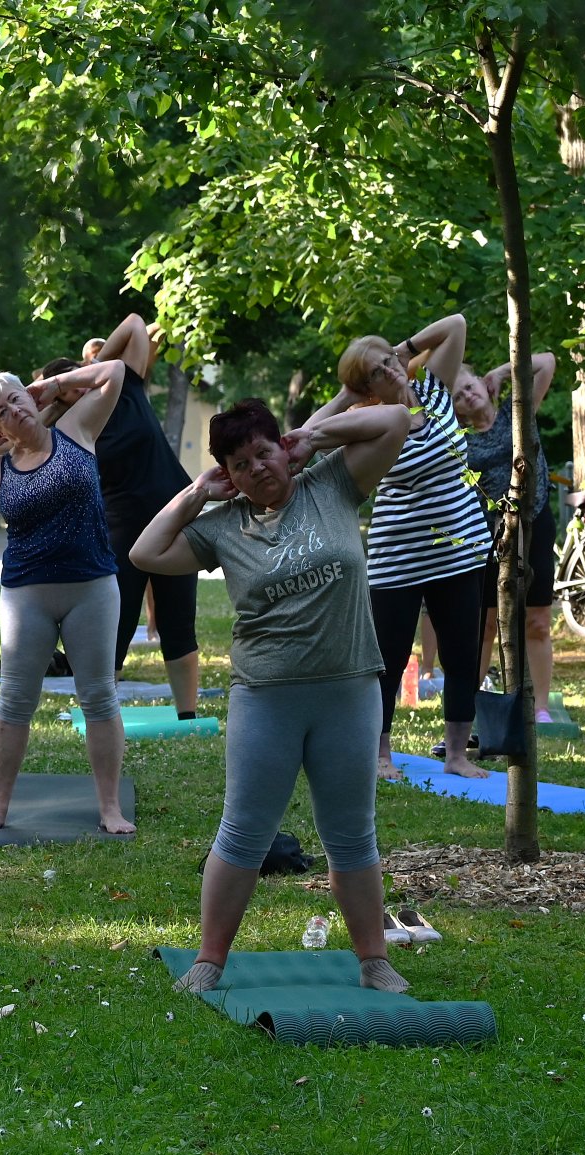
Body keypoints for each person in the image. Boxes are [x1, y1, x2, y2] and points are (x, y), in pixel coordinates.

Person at [129, 397, 415, 995]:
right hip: (266, 696)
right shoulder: (222, 527)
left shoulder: (331, 484)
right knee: (244, 831)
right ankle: (209, 961)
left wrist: (314, 436)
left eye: (263, 452)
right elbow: (144, 552)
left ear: (282, 449)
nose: (256, 468)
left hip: (348, 690)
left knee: (352, 834)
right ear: (228, 475)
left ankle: (374, 960)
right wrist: (196, 494)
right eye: (240, 463)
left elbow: (394, 420)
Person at [0, 360, 135, 835]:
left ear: (31, 398)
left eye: (16, 399)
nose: (14, 410)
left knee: (98, 696)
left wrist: (51, 385)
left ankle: (110, 807)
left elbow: (115, 372)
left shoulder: (76, 429)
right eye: (1, 411)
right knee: (16, 700)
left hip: (92, 587)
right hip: (26, 596)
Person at [311, 313, 489, 781]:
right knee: (387, 660)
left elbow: (457, 324)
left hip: (460, 548)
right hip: (398, 559)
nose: (390, 371)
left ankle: (456, 755)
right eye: (377, 371)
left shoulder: (433, 389)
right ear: (366, 388)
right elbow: (306, 437)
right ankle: (379, 753)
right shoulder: (368, 420)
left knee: (461, 654)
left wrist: (402, 351)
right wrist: (347, 396)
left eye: (388, 361)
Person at [40, 313, 201, 717]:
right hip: (122, 528)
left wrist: (87, 369)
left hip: (175, 514)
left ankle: (188, 715)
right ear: (59, 402)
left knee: (178, 620)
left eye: (77, 378)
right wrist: (47, 398)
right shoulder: (71, 428)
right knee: (117, 622)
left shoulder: (125, 384)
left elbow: (133, 324)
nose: (78, 388)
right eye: (66, 389)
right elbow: (25, 441)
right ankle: (100, 712)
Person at [454, 350, 558, 720]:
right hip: (489, 534)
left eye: (469, 386)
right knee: (485, 624)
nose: (467, 396)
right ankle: (469, 707)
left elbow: (547, 361)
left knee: (537, 621)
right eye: (458, 396)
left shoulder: (518, 413)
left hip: (535, 523)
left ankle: (540, 708)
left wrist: (497, 372)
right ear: (456, 410)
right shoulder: (460, 440)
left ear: (482, 385)